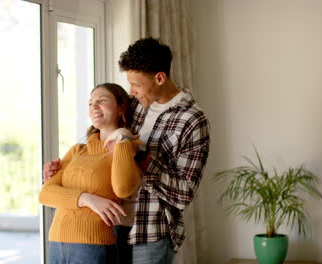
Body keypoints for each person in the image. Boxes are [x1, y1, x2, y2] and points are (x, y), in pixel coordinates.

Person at [44, 37, 210, 264]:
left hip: (150, 230)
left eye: (136, 84)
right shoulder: (132, 106)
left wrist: (140, 157)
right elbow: (103, 138)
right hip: (108, 225)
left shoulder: (192, 120)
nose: (131, 92)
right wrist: (64, 169)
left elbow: (184, 193)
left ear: (160, 78)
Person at [39, 83, 141, 264]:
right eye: (90, 103)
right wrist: (88, 199)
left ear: (121, 108)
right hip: (56, 241)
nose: (94, 106)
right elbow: (46, 194)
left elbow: (123, 189)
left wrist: (123, 136)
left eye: (102, 101)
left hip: (93, 245)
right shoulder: (77, 150)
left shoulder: (127, 148)